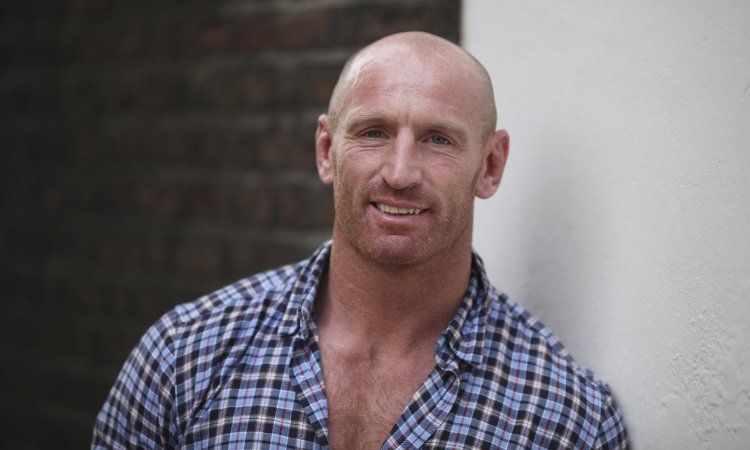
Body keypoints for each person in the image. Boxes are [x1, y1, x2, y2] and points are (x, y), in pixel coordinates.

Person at [93, 32, 629, 449]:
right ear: (326, 151)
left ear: (489, 166)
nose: (400, 173)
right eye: (373, 132)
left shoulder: (569, 420)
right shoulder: (184, 356)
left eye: (438, 139)